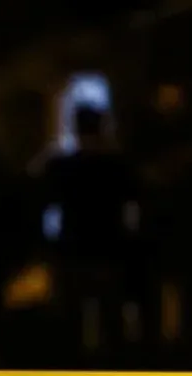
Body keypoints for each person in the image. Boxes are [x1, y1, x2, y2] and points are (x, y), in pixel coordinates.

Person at [40, 106, 142, 362]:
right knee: (111, 321)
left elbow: (46, 206)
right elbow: (133, 209)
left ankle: (73, 371)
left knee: (72, 322)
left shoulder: (62, 167)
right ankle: (115, 370)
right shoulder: (117, 167)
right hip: (108, 250)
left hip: (73, 251)